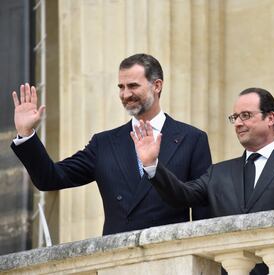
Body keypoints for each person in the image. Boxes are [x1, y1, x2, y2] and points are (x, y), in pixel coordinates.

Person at [10, 53, 212, 235]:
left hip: (171, 260)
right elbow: (50, 178)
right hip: (117, 261)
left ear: (157, 85)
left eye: (133, 86)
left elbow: (203, 208)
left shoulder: (192, 139)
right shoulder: (104, 144)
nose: (125, 95)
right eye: (121, 87)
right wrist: (26, 134)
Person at [131, 87, 274, 275]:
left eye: (246, 115)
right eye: (235, 117)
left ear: (270, 118)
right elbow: (181, 195)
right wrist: (152, 164)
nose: (238, 123)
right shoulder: (218, 173)